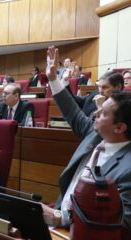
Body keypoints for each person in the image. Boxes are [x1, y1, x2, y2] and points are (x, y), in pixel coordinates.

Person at [42, 46, 131, 232]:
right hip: (58, 217)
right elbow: (72, 111)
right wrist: (53, 79)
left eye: (103, 112)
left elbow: (120, 223)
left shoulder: (128, 168)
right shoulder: (96, 133)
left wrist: (61, 218)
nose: (96, 113)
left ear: (120, 127)